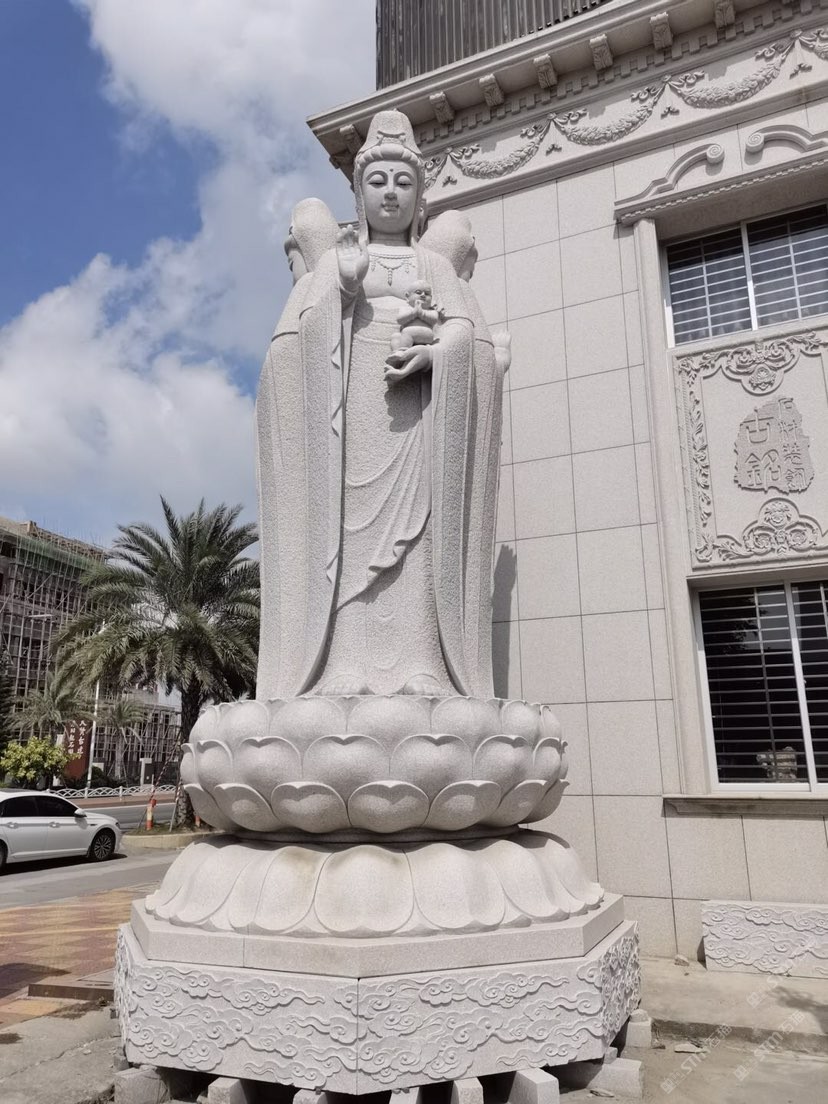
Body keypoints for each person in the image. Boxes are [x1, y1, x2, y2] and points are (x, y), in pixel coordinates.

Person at [256, 110, 499, 700]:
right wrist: (341, 288)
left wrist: (438, 352)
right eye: (378, 181)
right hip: (347, 422)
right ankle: (344, 664)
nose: (390, 192)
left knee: (419, 540)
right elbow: (288, 350)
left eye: (403, 182)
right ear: (360, 195)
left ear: (419, 199)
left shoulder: (433, 265)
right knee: (344, 538)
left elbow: (471, 337)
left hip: (417, 416)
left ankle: (421, 663)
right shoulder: (335, 262)